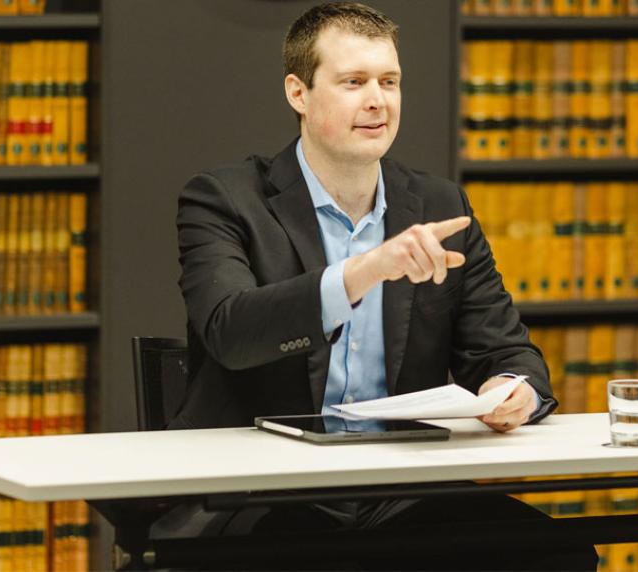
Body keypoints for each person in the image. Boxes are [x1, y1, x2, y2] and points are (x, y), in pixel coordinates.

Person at [174, 2, 597, 570]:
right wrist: (364, 271)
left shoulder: (439, 204)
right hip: (265, 494)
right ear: (298, 93)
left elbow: (503, 347)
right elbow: (232, 331)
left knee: (560, 554)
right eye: (353, 82)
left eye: (389, 81)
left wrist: (511, 386)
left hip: (402, 492)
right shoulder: (223, 200)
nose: (378, 99)